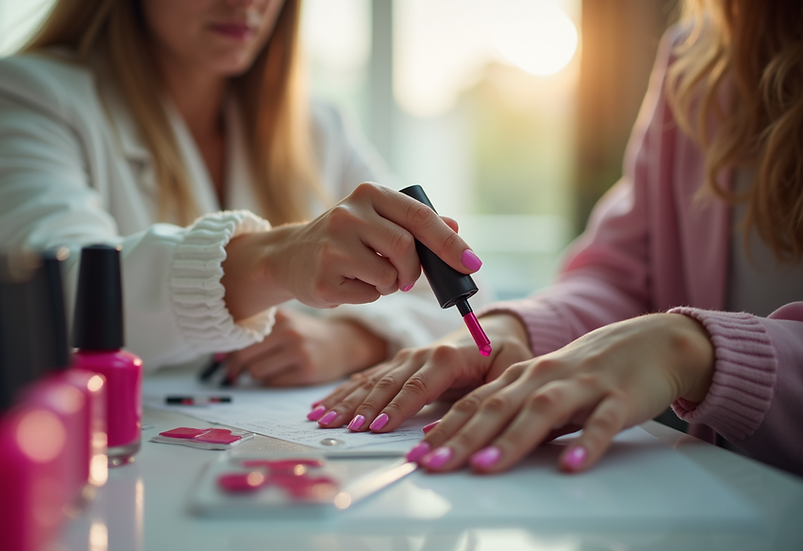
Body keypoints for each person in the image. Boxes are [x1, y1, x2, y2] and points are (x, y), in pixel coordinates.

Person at [312, 0, 803, 477]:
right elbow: (622, 272)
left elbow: (661, 333)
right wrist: (522, 330)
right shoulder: (700, 56)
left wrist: (691, 349)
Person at [0, 0, 477, 383]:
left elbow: (463, 301)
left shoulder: (321, 127)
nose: (248, 4)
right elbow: (44, 294)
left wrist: (355, 341)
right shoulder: (23, 93)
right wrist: (271, 262)